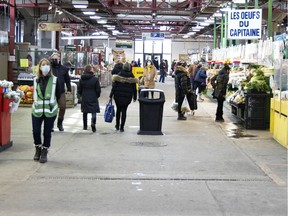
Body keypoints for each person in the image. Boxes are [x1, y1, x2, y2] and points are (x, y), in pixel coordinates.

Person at [32, 58, 61, 163]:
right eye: (43, 64)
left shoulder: (55, 80)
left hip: (50, 111)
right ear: (40, 67)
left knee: (47, 132)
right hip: (37, 110)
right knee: (36, 131)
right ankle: (38, 148)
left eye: (47, 64)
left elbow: (58, 94)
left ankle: (45, 150)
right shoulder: (35, 80)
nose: (45, 66)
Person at [110, 62, 138, 132]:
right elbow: (134, 89)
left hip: (118, 96)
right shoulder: (132, 77)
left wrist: (111, 95)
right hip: (127, 97)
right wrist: (135, 97)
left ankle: (117, 125)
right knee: (124, 111)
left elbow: (114, 87)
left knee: (118, 110)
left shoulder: (118, 76)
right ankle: (122, 127)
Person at [50, 52, 72, 132]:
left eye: (56, 59)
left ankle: (60, 123)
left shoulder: (64, 69)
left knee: (63, 107)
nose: (54, 61)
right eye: (53, 59)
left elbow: (67, 80)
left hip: (61, 91)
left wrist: (69, 89)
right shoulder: (49, 68)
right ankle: (51, 125)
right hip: (51, 92)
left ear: (59, 60)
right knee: (51, 108)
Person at [78, 65, 101, 132]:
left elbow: (79, 89)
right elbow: (98, 90)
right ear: (90, 70)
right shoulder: (95, 79)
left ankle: (85, 126)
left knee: (85, 112)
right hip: (93, 96)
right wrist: (97, 95)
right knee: (93, 111)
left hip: (85, 97)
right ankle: (93, 122)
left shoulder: (82, 79)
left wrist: (81, 95)